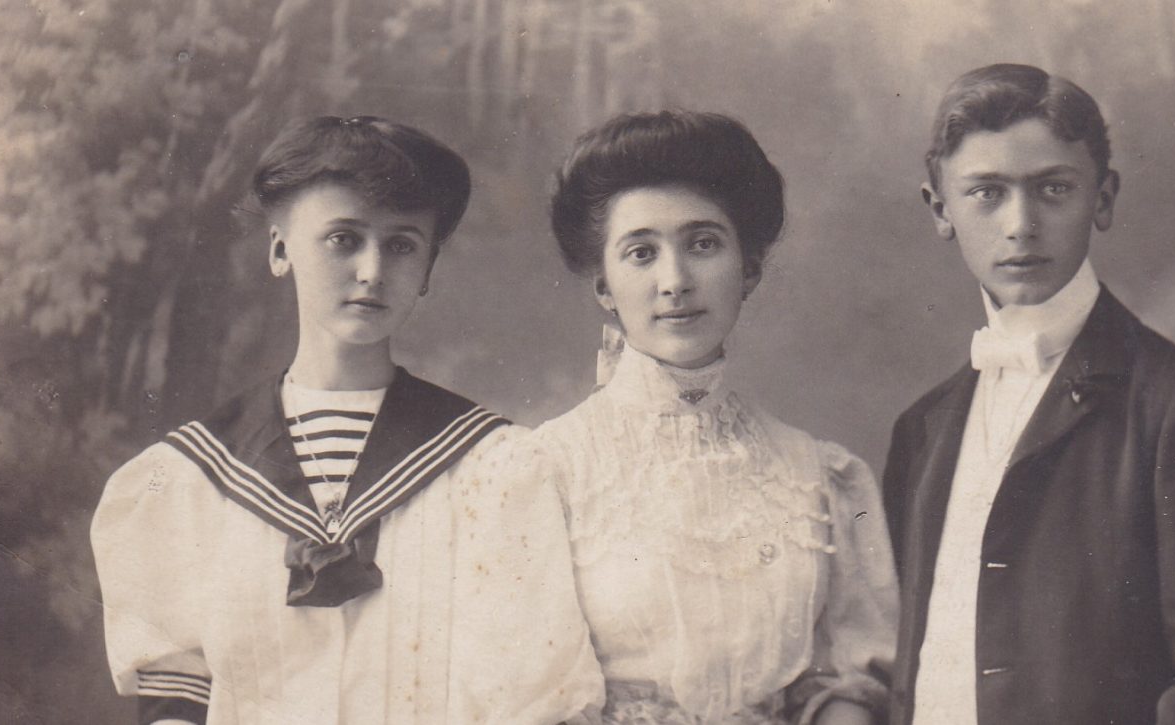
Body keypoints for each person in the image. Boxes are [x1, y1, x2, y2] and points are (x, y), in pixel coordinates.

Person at [91, 115, 602, 724]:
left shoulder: (492, 471)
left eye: (402, 245)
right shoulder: (190, 479)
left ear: (428, 269)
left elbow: (529, 697)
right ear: (280, 249)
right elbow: (178, 705)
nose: (371, 271)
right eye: (342, 239)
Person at [881, 64, 1175, 724]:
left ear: (1102, 199)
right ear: (941, 210)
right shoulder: (922, 430)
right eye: (987, 193)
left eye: (1053, 189)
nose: (1021, 224)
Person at [524, 110, 899, 724]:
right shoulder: (546, 471)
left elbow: (854, 678)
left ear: (748, 270)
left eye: (703, 244)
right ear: (604, 287)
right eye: (641, 253)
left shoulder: (820, 476)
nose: (675, 281)